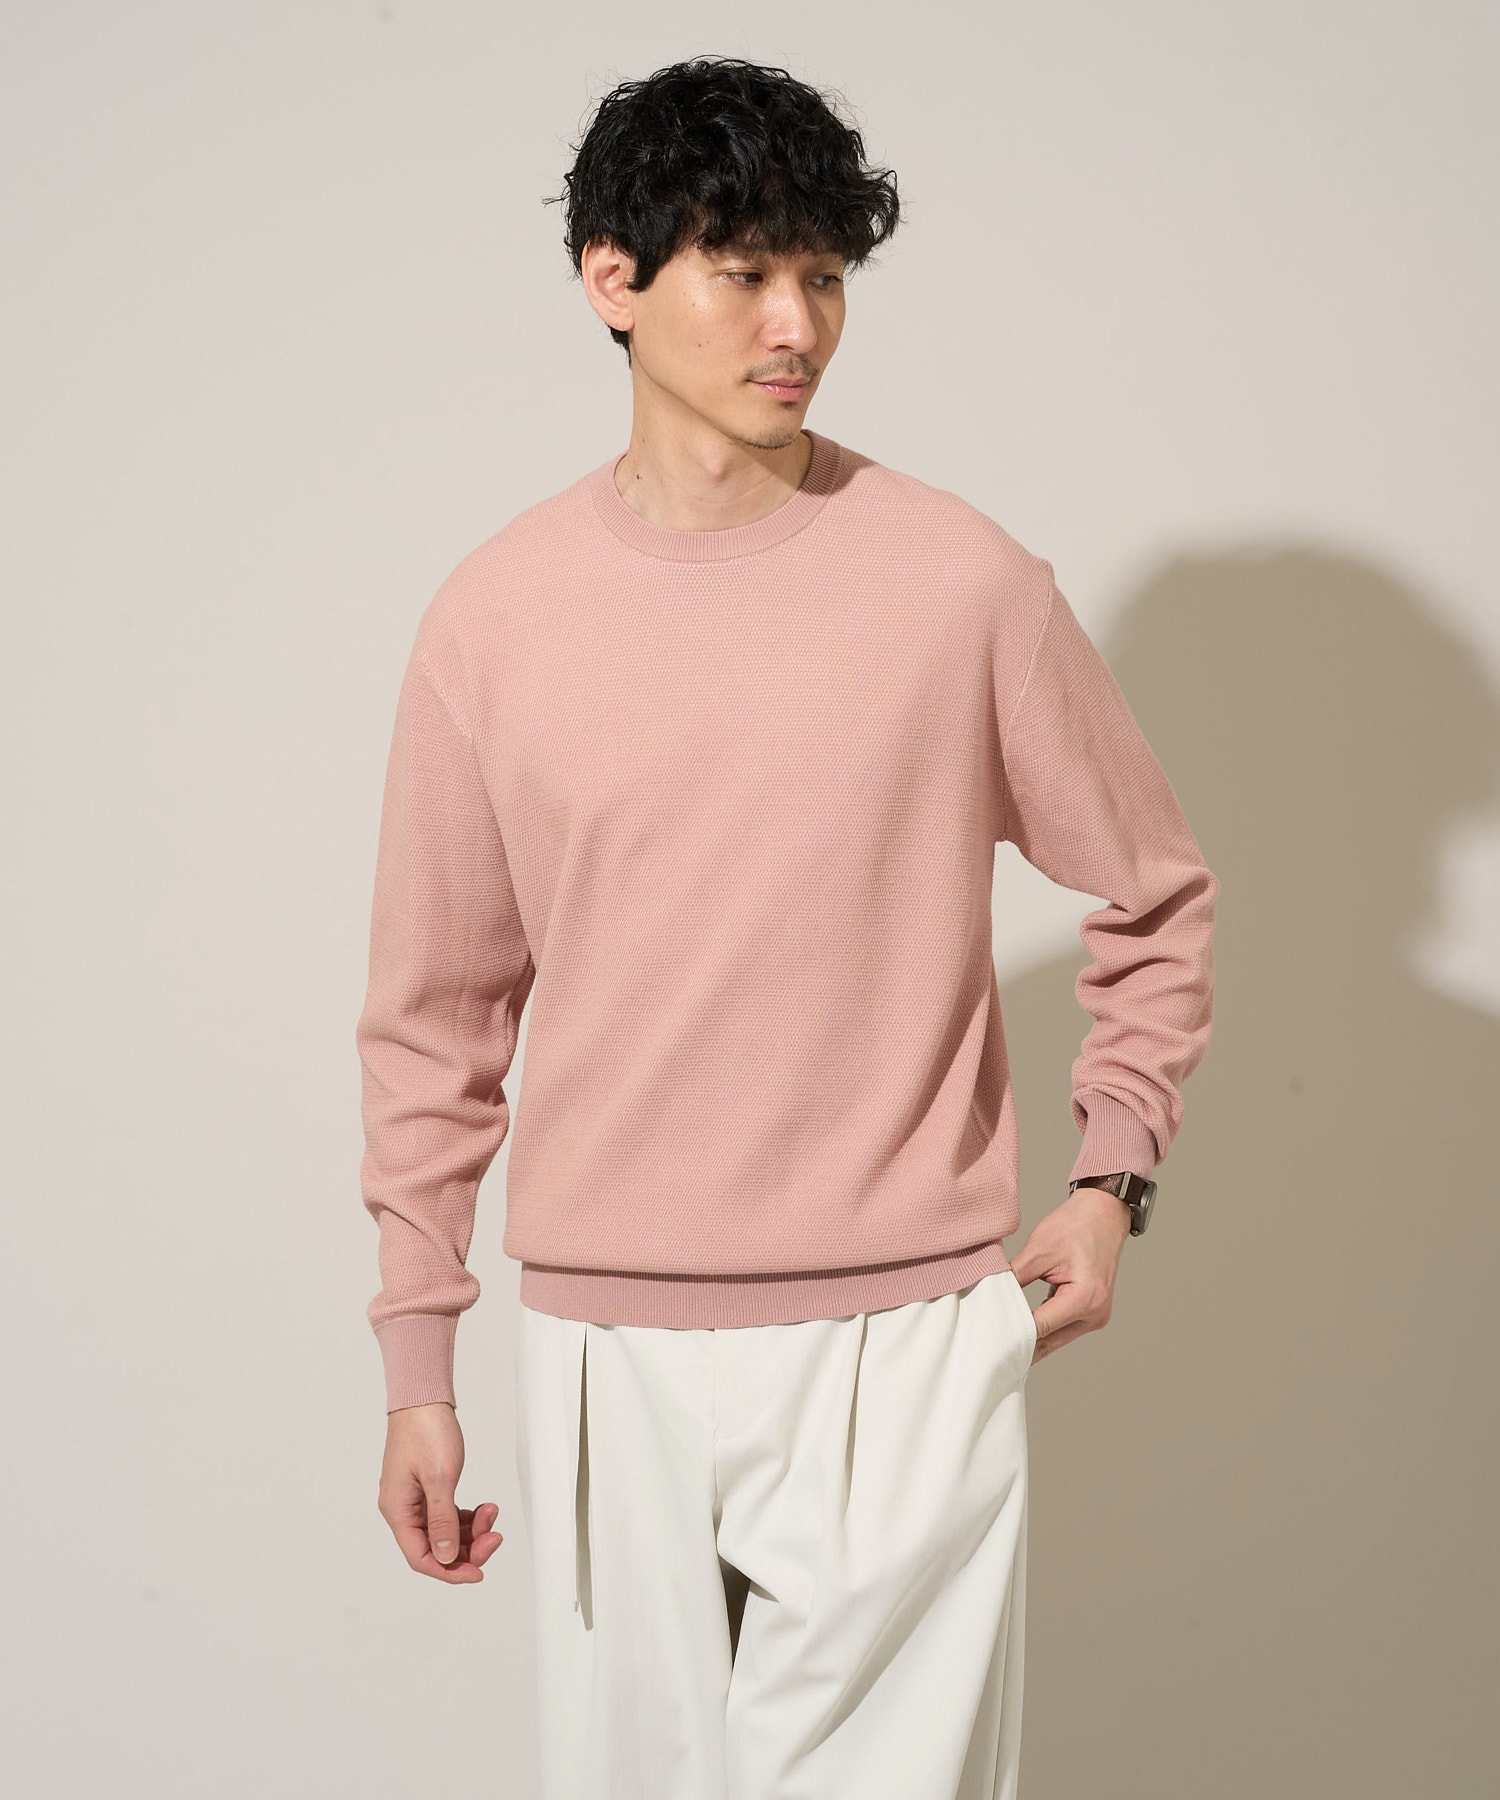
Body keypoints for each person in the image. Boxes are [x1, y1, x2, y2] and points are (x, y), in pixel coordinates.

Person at [354, 54, 1218, 1800]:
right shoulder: (494, 620)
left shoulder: (964, 586)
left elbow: (1155, 893)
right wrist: (417, 1362)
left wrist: (1111, 1179)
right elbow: (436, 1018)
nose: (796, 325)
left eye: (825, 277)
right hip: (606, 1351)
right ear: (612, 278)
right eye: (746, 271)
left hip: (904, 1344)